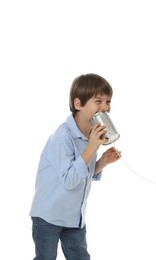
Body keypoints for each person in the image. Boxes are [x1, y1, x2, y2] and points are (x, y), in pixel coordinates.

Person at [29, 73, 121, 260]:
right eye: (98, 101)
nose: (105, 107)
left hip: (73, 218)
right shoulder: (63, 136)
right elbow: (69, 180)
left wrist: (102, 162)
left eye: (108, 102)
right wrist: (92, 147)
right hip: (49, 216)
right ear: (78, 104)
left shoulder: (90, 135)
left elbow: (83, 174)